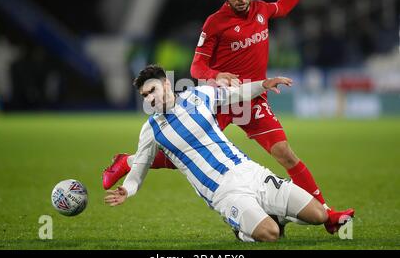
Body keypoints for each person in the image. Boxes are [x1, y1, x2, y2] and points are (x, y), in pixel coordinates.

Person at [102, 0, 355, 234]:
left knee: (286, 154)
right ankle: (131, 161)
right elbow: (196, 67)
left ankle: (328, 215)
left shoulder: (262, 10)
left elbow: (283, 6)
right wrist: (215, 77)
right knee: (191, 148)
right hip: (222, 98)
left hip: (253, 97)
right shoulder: (215, 23)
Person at [104, 65, 339, 242]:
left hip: (250, 171)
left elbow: (237, 94)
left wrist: (264, 84)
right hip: (223, 192)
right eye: (145, 96)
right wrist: (128, 189)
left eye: (152, 90)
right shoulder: (151, 129)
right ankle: (242, 231)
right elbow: (139, 167)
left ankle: (276, 212)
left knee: (319, 215)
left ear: (166, 84)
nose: (150, 98)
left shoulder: (199, 95)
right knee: (271, 234)